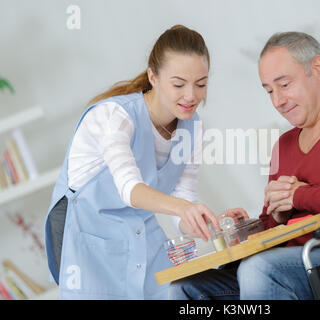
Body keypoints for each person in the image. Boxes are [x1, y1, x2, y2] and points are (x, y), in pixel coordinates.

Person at [169, 31, 320, 300]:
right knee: (184, 288)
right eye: (269, 91)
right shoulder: (284, 145)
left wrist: (301, 194)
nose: (278, 101)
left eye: (284, 84)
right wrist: (251, 227)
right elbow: (276, 223)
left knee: (259, 269)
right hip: (301, 265)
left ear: (318, 69)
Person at [44, 25, 246, 300]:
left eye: (201, 84)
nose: (191, 96)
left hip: (141, 237)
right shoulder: (114, 116)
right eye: (178, 84)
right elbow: (131, 190)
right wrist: (185, 208)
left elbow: (181, 207)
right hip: (89, 239)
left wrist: (210, 223)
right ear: (153, 76)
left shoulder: (193, 129)